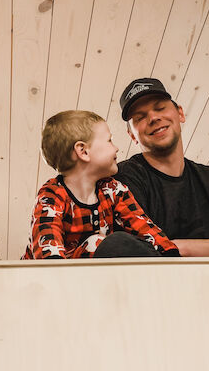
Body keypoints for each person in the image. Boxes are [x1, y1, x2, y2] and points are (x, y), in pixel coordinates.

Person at [22, 110, 180, 259]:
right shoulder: (52, 195)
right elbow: (47, 249)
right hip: (49, 274)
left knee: (124, 242)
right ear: (83, 151)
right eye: (109, 140)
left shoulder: (113, 190)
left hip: (92, 270)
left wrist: (171, 256)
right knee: (102, 242)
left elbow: (142, 225)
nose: (116, 148)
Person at [118, 77, 209, 256]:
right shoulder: (123, 179)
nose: (153, 118)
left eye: (160, 108)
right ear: (132, 135)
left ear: (180, 113)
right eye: (140, 117)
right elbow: (134, 251)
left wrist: (180, 247)